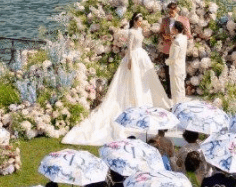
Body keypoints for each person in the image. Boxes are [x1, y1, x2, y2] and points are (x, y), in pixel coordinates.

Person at [62, 12, 170, 146]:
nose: (141, 22)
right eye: (139, 20)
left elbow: (142, 38)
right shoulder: (131, 32)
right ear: (135, 21)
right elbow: (129, 47)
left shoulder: (140, 30)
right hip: (134, 57)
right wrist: (130, 60)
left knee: (144, 81)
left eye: (142, 20)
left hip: (142, 57)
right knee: (132, 81)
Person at [158, 2, 192, 96]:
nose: (171, 11)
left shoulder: (183, 19)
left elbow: (188, 35)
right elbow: (160, 32)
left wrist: (173, 37)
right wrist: (164, 37)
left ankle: (179, 94)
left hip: (178, 49)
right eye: (170, 9)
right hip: (167, 48)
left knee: (177, 73)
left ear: (177, 9)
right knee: (168, 72)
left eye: (173, 9)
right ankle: (170, 94)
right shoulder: (165, 20)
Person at [166, 20, 188, 105]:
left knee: (175, 89)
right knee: (181, 88)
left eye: (172, 28)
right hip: (182, 66)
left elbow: (173, 58)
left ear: (175, 29)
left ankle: (176, 106)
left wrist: (166, 62)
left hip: (175, 68)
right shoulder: (184, 38)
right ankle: (182, 105)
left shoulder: (177, 41)